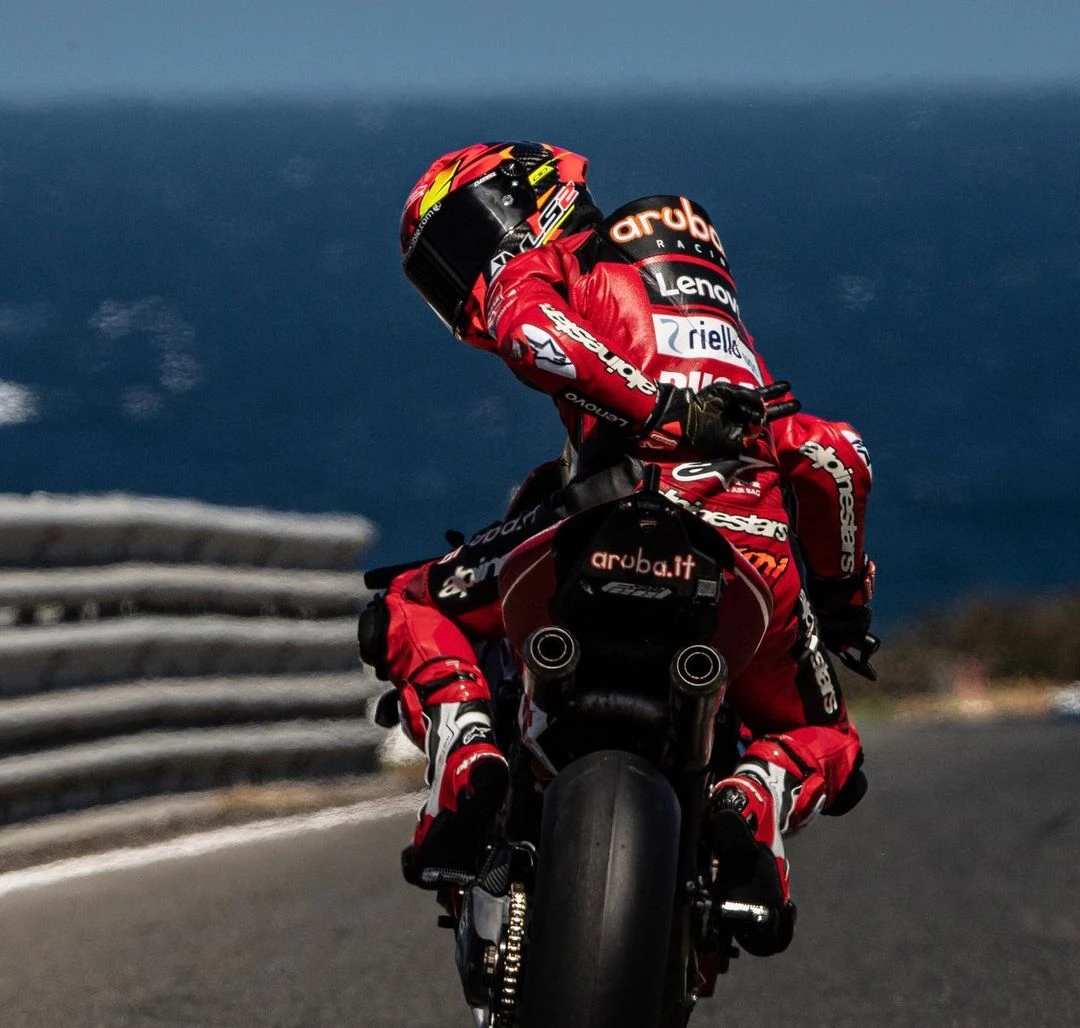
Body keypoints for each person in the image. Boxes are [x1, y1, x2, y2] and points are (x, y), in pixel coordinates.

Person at [361, 141, 875, 956]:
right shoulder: (735, 353)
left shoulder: (560, 264)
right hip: (756, 557)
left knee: (405, 604)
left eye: (463, 241)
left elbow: (528, 329)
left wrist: (656, 411)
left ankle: (468, 759)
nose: (460, 278)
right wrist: (845, 605)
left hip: (605, 515)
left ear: (533, 197)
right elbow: (835, 458)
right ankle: (754, 796)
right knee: (831, 741)